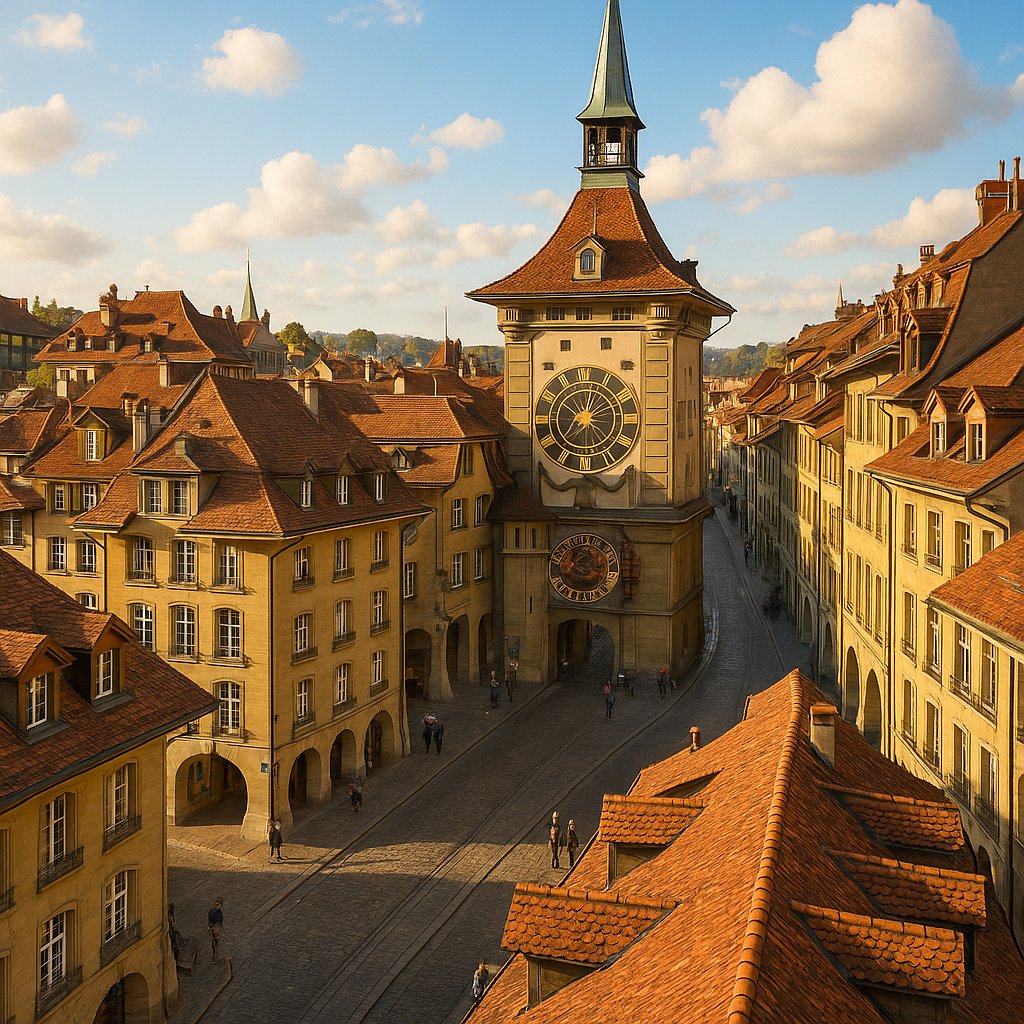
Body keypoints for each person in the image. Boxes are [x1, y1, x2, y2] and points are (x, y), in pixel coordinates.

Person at [207, 898, 224, 963]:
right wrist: (208, 927)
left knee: (215, 942)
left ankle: (215, 956)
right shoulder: (211, 911)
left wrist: (217, 930)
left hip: (216, 928)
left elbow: (220, 922)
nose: (217, 906)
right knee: (213, 942)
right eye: (216, 904)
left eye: (218, 905)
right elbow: (209, 919)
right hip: (212, 928)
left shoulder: (220, 913)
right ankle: (214, 955)